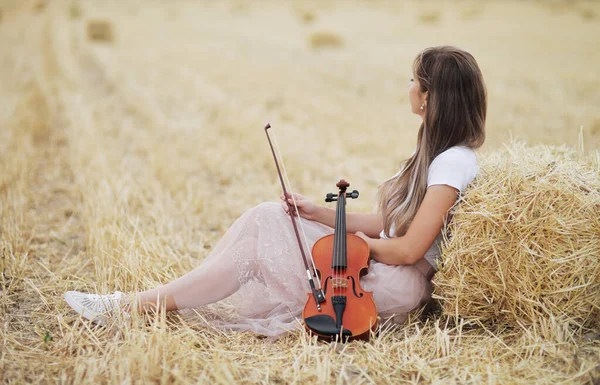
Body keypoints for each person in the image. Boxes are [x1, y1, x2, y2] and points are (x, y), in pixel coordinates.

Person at [64, 46, 486, 337]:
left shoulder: (451, 162)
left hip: (396, 281)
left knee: (265, 224)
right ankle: (140, 303)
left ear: (431, 97)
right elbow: (390, 225)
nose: (408, 87)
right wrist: (319, 214)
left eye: (415, 81)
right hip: (382, 266)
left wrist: (350, 243)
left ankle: (130, 306)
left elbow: (410, 248)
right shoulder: (436, 153)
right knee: (272, 217)